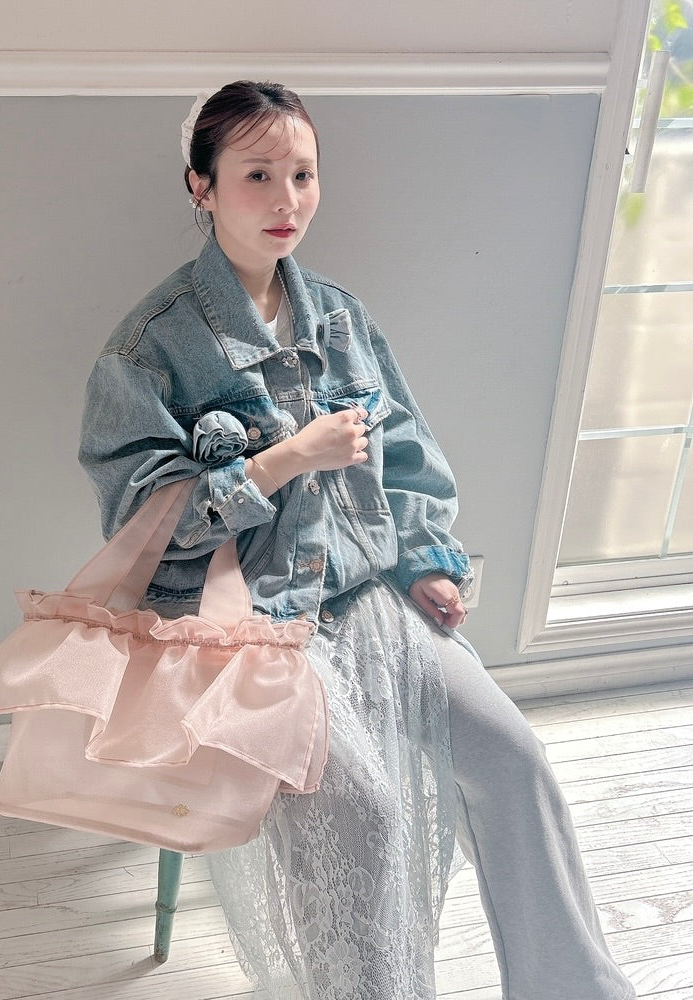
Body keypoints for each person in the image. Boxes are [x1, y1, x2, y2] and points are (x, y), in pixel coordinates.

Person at [78, 81, 635, 1000]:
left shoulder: (340, 317)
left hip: (369, 595)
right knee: (363, 815)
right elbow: (146, 529)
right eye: (258, 175)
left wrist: (424, 563)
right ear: (201, 186)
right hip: (245, 627)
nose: (287, 199)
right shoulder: (148, 351)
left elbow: (406, 454)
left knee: (514, 760)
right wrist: (282, 461)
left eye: (303, 174)